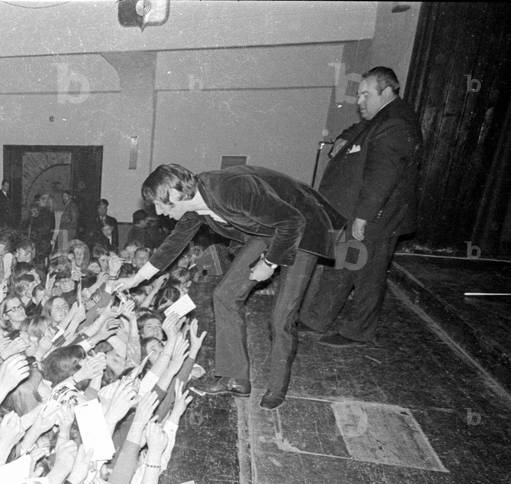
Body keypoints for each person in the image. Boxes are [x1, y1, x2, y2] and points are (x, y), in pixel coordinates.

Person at [114, 163, 345, 409]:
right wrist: (134, 279)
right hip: (268, 230)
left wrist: (269, 262)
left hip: (302, 227)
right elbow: (172, 245)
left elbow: (292, 220)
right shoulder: (194, 208)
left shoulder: (231, 188)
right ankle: (236, 378)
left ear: (174, 194)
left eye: (160, 205)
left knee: (281, 316)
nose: (159, 212)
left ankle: (277, 387)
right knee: (225, 295)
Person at [300, 66, 423, 348]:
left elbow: (382, 177)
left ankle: (358, 332)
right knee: (344, 265)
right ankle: (317, 319)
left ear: (387, 91)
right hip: (359, 212)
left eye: (366, 94)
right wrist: (343, 138)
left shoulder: (396, 124)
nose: (359, 101)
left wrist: (363, 217)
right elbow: (359, 129)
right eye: (359, 95)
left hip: (375, 217)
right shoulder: (383, 117)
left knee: (368, 274)